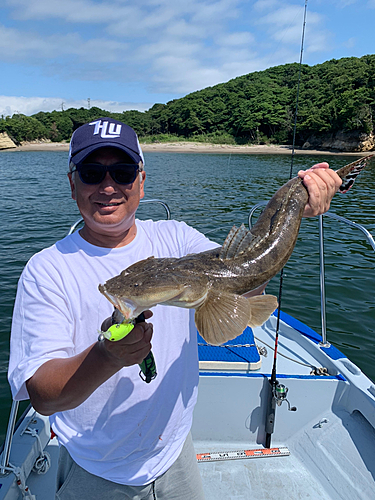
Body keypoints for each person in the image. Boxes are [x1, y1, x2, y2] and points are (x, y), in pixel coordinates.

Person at [8, 118, 342, 500]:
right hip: (96, 466)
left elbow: (247, 285)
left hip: (176, 453)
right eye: (91, 172)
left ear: (141, 180)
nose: (108, 186)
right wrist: (106, 356)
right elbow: (43, 396)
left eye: (122, 171)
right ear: (72, 183)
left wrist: (299, 201)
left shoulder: (177, 238)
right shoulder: (47, 270)